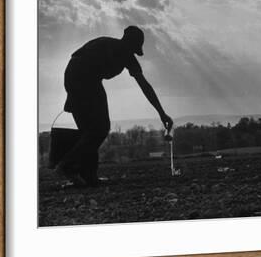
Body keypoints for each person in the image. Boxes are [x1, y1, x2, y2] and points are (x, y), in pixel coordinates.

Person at [55, 26, 173, 187]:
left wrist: (161, 113)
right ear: (128, 42)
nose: (132, 52)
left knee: (90, 130)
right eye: (133, 47)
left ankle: (89, 176)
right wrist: (73, 94)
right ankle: (67, 165)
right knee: (100, 128)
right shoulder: (104, 45)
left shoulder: (127, 57)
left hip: (85, 80)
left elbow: (145, 85)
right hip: (80, 78)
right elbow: (79, 63)